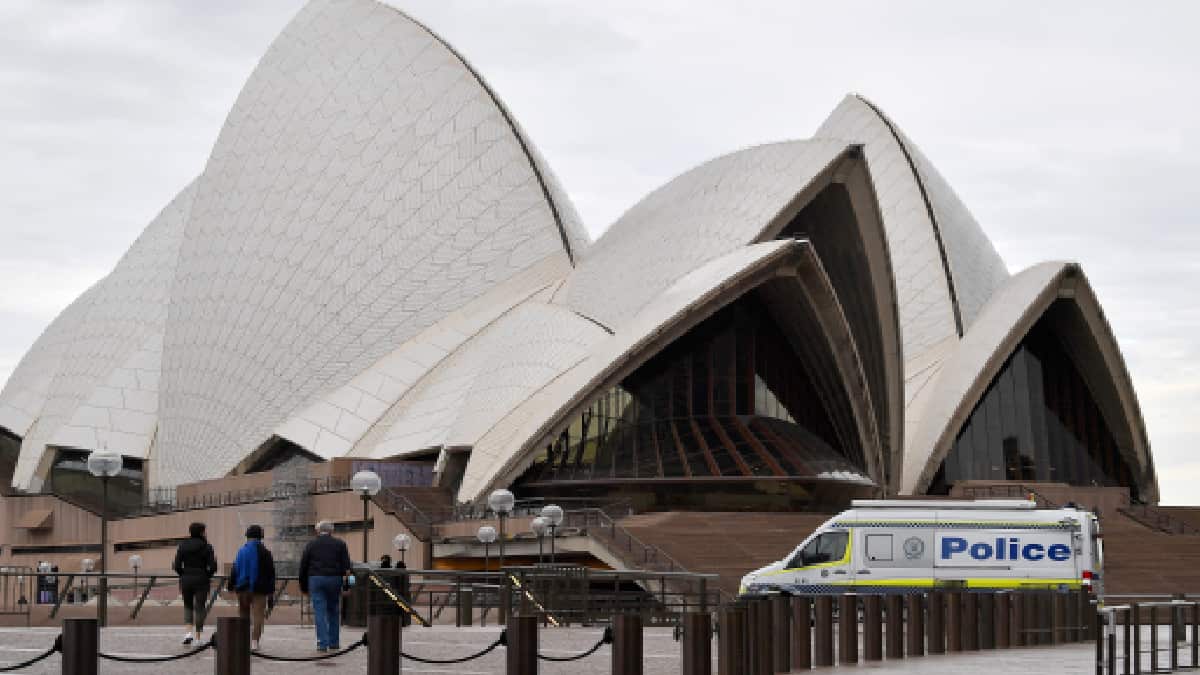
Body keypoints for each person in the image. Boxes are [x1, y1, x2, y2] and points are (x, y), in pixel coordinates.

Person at [298, 520, 352, 652]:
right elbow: (348, 568)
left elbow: (303, 567)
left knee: (320, 612)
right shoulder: (340, 544)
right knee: (334, 610)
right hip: (335, 579)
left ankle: (322, 643)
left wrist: (303, 586)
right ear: (331, 531)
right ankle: (334, 642)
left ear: (318, 531)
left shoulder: (311, 545)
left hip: (316, 579)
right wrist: (349, 585)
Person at [228, 524, 275, 652]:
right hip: (259, 590)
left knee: (243, 614)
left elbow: (235, 569)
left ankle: (243, 640)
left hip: (242, 588)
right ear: (261, 536)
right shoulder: (265, 552)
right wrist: (271, 593)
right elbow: (271, 573)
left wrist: (230, 585)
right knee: (258, 615)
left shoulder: (241, 551)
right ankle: (254, 641)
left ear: (247, 536)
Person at [172, 522, 217, 645]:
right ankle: (198, 637)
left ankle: (188, 633)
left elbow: (176, 565)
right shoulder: (207, 547)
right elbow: (213, 566)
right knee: (200, 607)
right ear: (202, 532)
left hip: (186, 579)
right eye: (205, 531)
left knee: (188, 606)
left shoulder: (183, 545)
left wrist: (183, 574)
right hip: (202, 579)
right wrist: (207, 575)